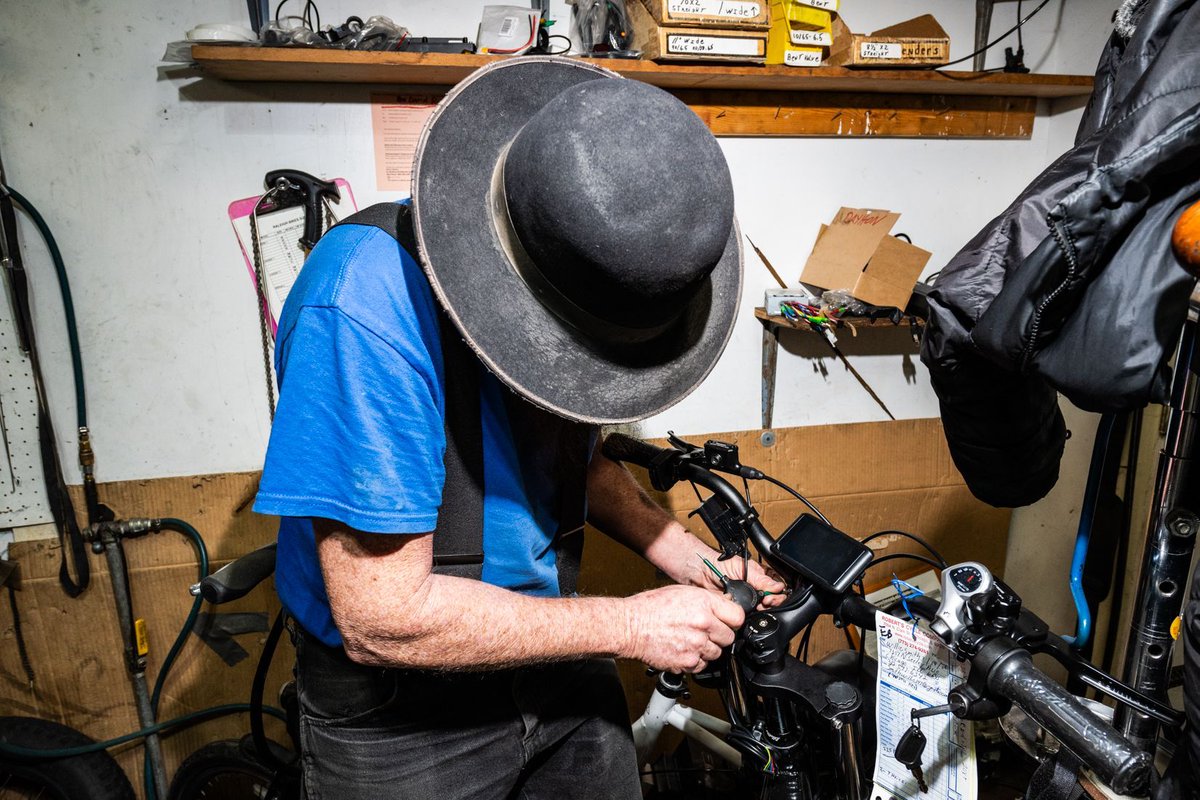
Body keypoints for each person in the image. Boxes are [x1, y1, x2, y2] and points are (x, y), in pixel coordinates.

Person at [254, 56, 782, 800]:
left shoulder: (574, 269)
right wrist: (631, 627)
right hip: (404, 711)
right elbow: (383, 617)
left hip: (556, 650)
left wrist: (688, 558)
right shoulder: (364, 305)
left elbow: (572, 457)